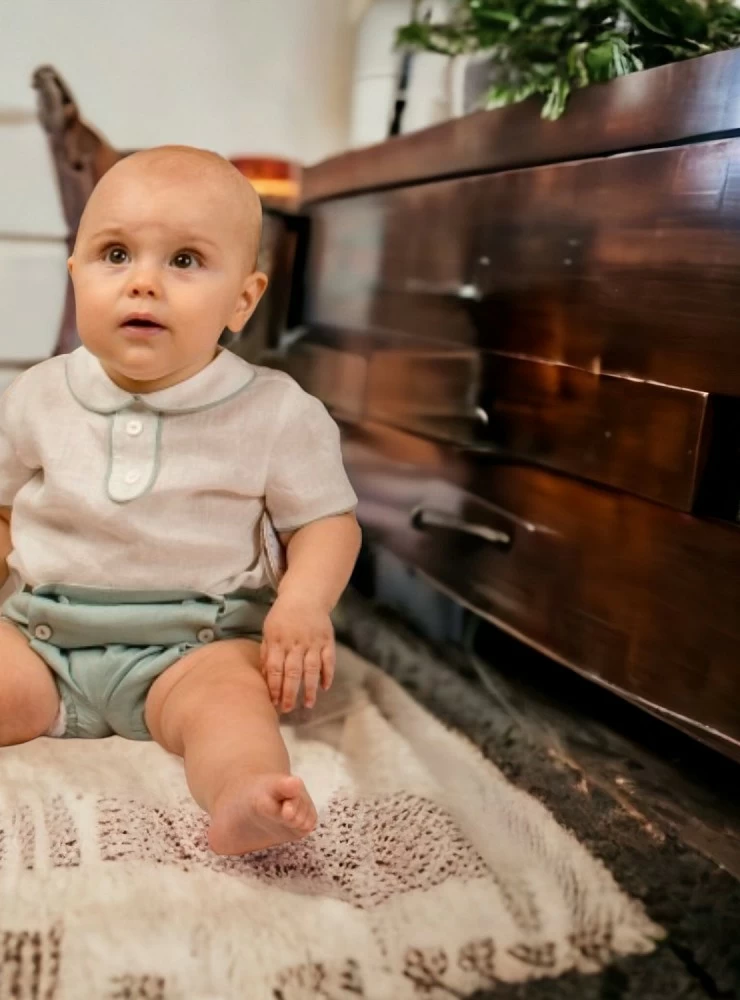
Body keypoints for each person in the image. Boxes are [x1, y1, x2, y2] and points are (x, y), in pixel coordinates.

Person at [0, 145, 362, 855]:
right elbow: (4, 509)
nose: (143, 284)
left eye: (185, 261)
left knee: (233, 714)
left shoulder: (275, 413)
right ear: (74, 275)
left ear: (243, 300)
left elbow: (326, 522)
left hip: (194, 648)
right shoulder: (38, 396)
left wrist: (302, 602)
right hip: (42, 638)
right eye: (114, 255)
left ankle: (244, 797)